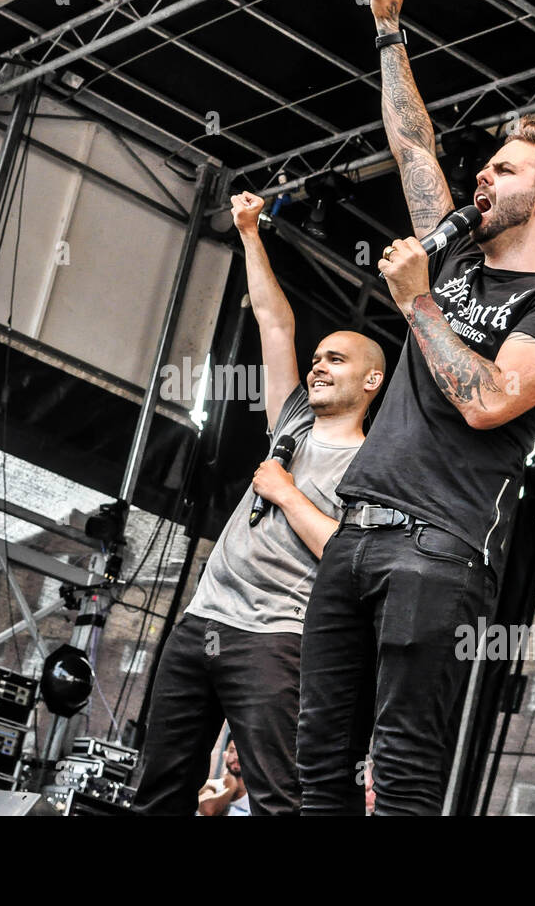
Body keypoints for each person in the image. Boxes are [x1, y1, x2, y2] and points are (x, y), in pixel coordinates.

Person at [295, 0, 535, 816]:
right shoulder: (461, 256)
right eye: (486, 166)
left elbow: (490, 398)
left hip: (436, 551)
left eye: (503, 171)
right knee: (314, 759)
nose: (482, 179)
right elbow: (412, 148)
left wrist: (416, 302)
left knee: (398, 770)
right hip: (355, 534)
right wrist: (389, 32)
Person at [132, 191, 386, 816]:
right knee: (158, 790)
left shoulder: (375, 465)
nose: (320, 366)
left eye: (337, 359)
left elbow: (344, 553)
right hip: (202, 622)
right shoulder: (291, 422)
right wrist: (250, 232)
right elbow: (276, 323)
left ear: (372, 381)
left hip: (275, 638)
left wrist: (284, 489)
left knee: (278, 801)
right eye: (319, 357)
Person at [198, 740, 250, 817]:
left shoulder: (254, 796)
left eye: (241, 752)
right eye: (232, 751)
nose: (236, 757)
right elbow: (207, 810)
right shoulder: (211, 785)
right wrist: (231, 788)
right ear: (225, 755)